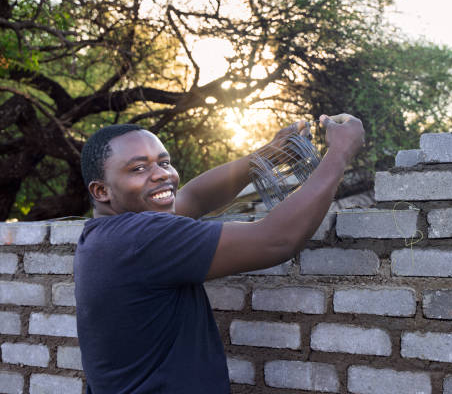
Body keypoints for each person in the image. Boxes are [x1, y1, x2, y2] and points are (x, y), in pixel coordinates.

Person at [74, 113, 365, 393]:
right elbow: (276, 239)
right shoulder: (141, 239)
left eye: (164, 162)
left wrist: (267, 155)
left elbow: (193, 198)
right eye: (139, 168)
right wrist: (339, 152)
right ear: (101, 191)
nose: (161, 174)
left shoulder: (103, 237)